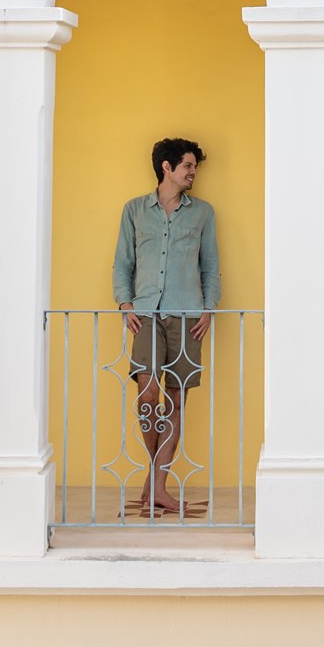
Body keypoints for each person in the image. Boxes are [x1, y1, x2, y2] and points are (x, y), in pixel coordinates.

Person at [112, 137, 221, 518]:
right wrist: (125, 303)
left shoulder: (203, 213)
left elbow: (210, 265)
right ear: (167, 168)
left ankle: (156, 484)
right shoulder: (134, 211)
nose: (193, 172)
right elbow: (123, 262)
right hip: (146, 313)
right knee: (148, 396)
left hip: (188, 316)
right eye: (188, 166)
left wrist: (209, 309)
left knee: (175, 400)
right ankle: (156, 479)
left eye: (194, 167)